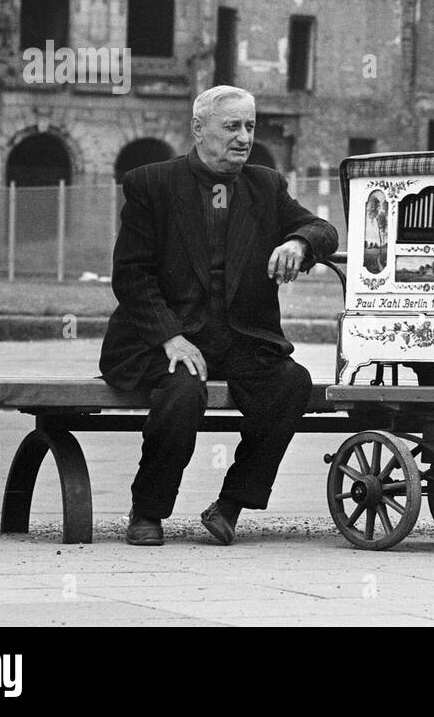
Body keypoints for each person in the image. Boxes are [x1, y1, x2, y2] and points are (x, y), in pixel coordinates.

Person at [99, 85, 337, 546]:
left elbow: (323, 228)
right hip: (162, 339)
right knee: (184, 393)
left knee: (292, 384)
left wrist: (299, 242)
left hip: (239, 340)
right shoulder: (152, 184)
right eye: (231, 127)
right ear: (198, 129)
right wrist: (170, 337)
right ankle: (147, 511)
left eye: (250, 126)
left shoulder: (265, 186)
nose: (244, 137)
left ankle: (230, 506)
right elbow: (131, 277)